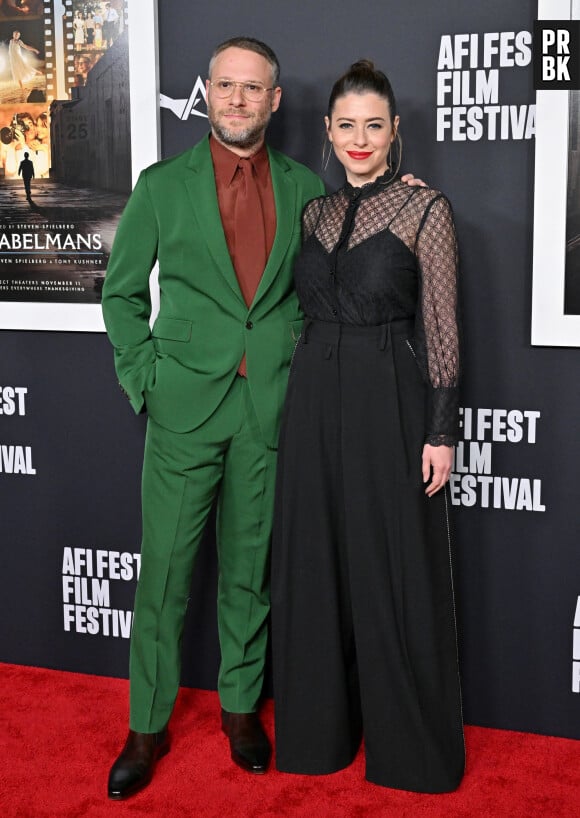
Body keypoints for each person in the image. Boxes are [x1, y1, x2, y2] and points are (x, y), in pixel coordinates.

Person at [102, 39, 422, 801]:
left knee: (250, 577)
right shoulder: (160, 185)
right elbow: (119, 296)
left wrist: (400, 195)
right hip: (182, 407)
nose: (239, 99)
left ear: (277, 100)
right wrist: (144, 379)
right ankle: (145, 726)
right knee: (167, 580)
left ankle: (242, 710)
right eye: (226, 85)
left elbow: (348, 249)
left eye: (255, 88)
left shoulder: (307, 185)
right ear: (206, 91)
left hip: (269, 407)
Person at [271, 60, 465, 794]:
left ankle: (410, 752)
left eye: (373, 126)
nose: (359, 139)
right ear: (327, 131)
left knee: (395, 568)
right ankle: (318, 737)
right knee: (314, 563)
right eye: (346, 125)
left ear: (395, 134)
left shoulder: (426, 211)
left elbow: (441, 325)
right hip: (313, 391)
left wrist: (441, 430)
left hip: (390, 395)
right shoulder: (313, 214)